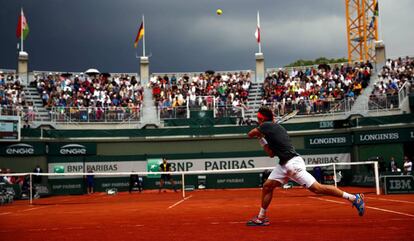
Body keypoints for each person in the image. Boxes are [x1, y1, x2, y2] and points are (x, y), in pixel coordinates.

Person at [246, 106, 365, 226]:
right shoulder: (271, 129)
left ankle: (354, 198)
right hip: (283, 164)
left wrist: (259, 134)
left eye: (258, 118)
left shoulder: (267, 126)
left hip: (292, 164)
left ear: (262, 119)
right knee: (267, 186)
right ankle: (261, 217)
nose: (257, 121)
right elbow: (271, 154)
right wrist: (261, 139)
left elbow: (250, 134)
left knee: (317, 188)